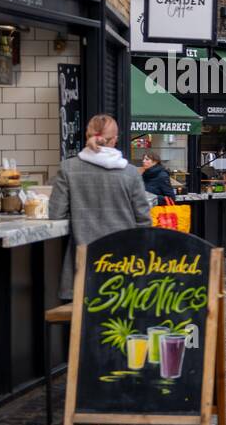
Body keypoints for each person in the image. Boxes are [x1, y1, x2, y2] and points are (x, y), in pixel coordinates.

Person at [48, 115, 151, 301]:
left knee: (84, 322)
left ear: (88, 135)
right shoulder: (130, 173)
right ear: (114, 140)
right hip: (124, 263)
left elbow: (56, 214)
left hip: (83, 265)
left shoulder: (68, 168)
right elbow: (144, 221)